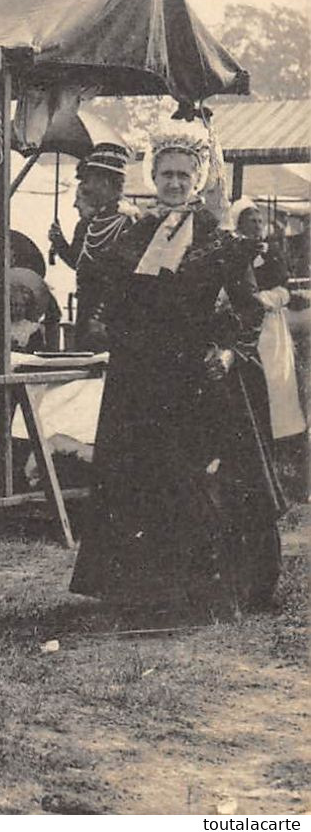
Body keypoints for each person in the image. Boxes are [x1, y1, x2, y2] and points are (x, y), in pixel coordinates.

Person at [70, 127, 284, 620]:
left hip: (197, 376)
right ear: (154, 178)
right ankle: (143, 592)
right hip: (141, 378)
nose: (173, 183)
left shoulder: (221, 241)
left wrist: (230, 352)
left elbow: (250, 310)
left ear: (198, 180)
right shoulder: (135, 234)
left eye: (183, 176)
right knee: (140, 477)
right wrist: (109, 324)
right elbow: (116, 298)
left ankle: (206, 592)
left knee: (200, 479)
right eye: (165, 174)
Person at [229, 199, 307, 453]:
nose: (258, 225)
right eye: (251, 221)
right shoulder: (231, 251)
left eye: (260, 220)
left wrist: (264, 300)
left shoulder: (271, 251)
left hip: (271, 326)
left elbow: (284, 288)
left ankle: (283, 434)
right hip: (242, 324)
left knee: (277, 377)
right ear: (238, 224)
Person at [48, 143, 139, 350]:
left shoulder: (128, 221)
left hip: (112, 316)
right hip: (86, 308)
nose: (85, 187)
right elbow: (80, 263)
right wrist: (59, 243)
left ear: (105, 183)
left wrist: (101, 315)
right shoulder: (88, 223)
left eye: (89, 181)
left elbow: (126, 279)